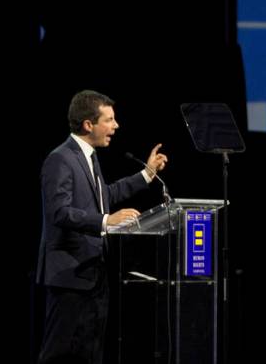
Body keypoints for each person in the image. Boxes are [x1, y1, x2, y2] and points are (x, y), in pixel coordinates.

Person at [36, 90, 168, 363]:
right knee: (59, 355)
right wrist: (107, 221)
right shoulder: (60, 159)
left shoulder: (89, 156)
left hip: (94, 276)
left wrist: (147, 174)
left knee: (90, 353)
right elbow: (58, 212)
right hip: (69, 279)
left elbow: (103, 195)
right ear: (88, 124)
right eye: (109, 120)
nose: (116, 126)